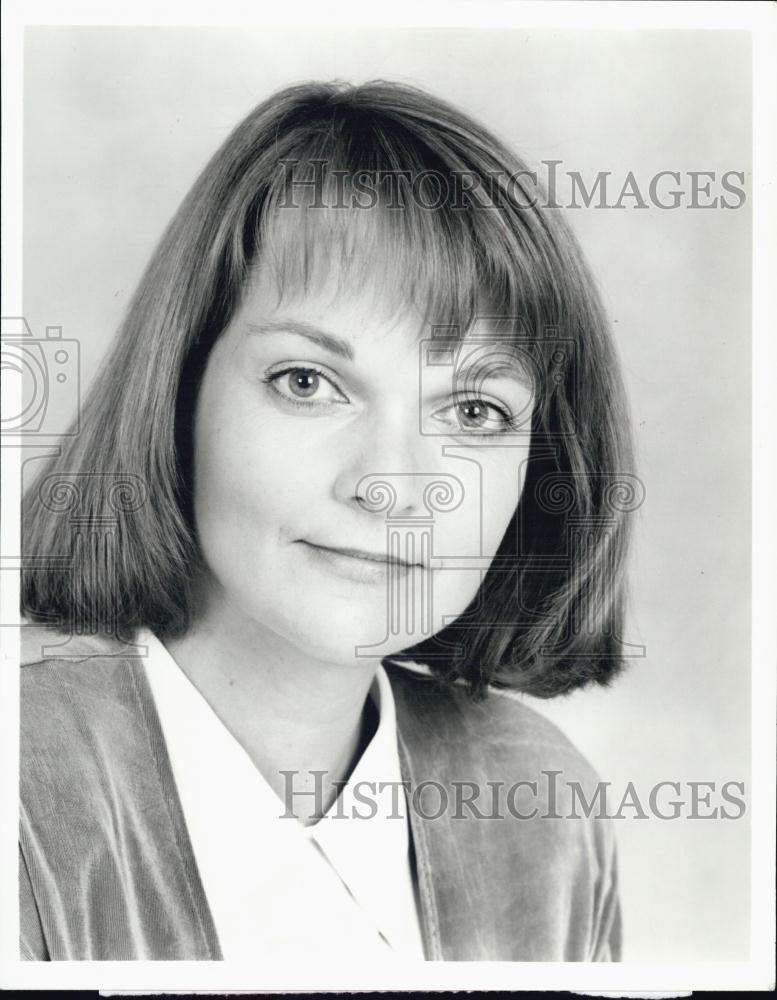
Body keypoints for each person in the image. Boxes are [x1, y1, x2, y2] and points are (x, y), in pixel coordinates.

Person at [19, 80, 635, 962]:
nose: (389, 484)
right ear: (179, 390)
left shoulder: (540, 803)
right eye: (307, 382)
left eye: (473, 413)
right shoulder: (23, 796)